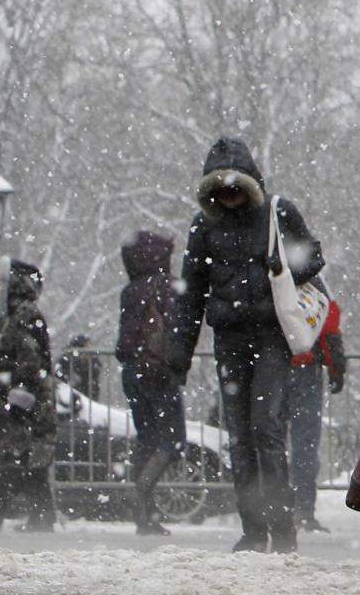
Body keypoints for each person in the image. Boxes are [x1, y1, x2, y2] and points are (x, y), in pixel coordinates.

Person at [166, 135, 324, 555]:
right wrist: (179, 356)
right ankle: (253, 530)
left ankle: (282, 529)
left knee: (265, 429)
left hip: (272, 337)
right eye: (220, 189)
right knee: (239, 436)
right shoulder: (204, 226)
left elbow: (312, 259)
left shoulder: (278, 212)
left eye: (235, 186)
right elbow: (191, 294)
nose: (229, 195)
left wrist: (283, 265)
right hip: (230, 340)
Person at [116, 229, 186, 537]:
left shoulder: (130, 291)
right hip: (158, 372)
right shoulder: (166, 286)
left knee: (147, 438)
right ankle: (142, 493)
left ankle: (144, 511)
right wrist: (177, 364)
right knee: (173, 440)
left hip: (132, 372)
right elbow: (176, 330)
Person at [0, 258, 57, 533]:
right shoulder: (18, 315)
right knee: (27, 462)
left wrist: (19, 397)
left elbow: (29, 360)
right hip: (21, 404)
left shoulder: (23, 315)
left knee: (15, 459)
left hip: (23, 407)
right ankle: (41, 518)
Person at [284, 289, 345, 533]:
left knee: (269, 440)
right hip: (306, 369)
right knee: (305, 443)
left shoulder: (266, 273)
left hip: (271, 366)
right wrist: (336, 367)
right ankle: (303, 509)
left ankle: (272, 506)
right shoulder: (315, 284)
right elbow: (329, 325)